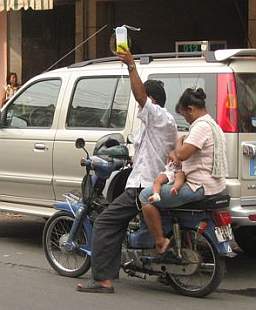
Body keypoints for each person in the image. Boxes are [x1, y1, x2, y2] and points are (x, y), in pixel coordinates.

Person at [76, 47, 178, 293]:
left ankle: (102, 280)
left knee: (104, 223)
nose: (138, 103)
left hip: (143, 185)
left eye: (142, 99)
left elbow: (140, 97)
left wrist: (131, 65)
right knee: (117, 221)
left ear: (151, 100)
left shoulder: (157, 116)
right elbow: (139, 149)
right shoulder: (155, 123)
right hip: (144, 178)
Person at [139, 87, 227, 255]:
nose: (186, 120)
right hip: (214, 184)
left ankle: (160, 240)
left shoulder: (200, 126)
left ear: (191, 109)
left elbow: (182, 154)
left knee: (145, 197)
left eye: (185, 115)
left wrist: (178, 143)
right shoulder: (213, 125)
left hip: (198, 186)